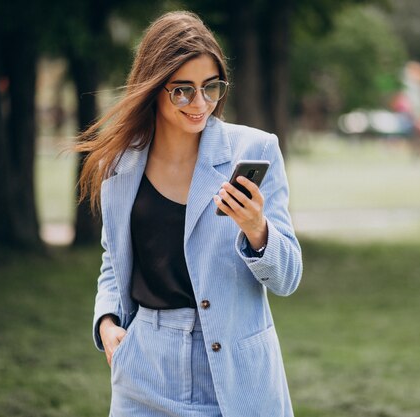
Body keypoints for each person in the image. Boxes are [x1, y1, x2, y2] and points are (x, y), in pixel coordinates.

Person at [75, 11, 303, 417]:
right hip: (144, 369)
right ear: (153, 88)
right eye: (182, 91)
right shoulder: (119, 166)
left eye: (210, 87)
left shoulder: (256, 151)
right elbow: (114, 261)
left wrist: (257, 230)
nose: (200, 104)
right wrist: (107, 323)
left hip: (233, 376)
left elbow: (287, 279)